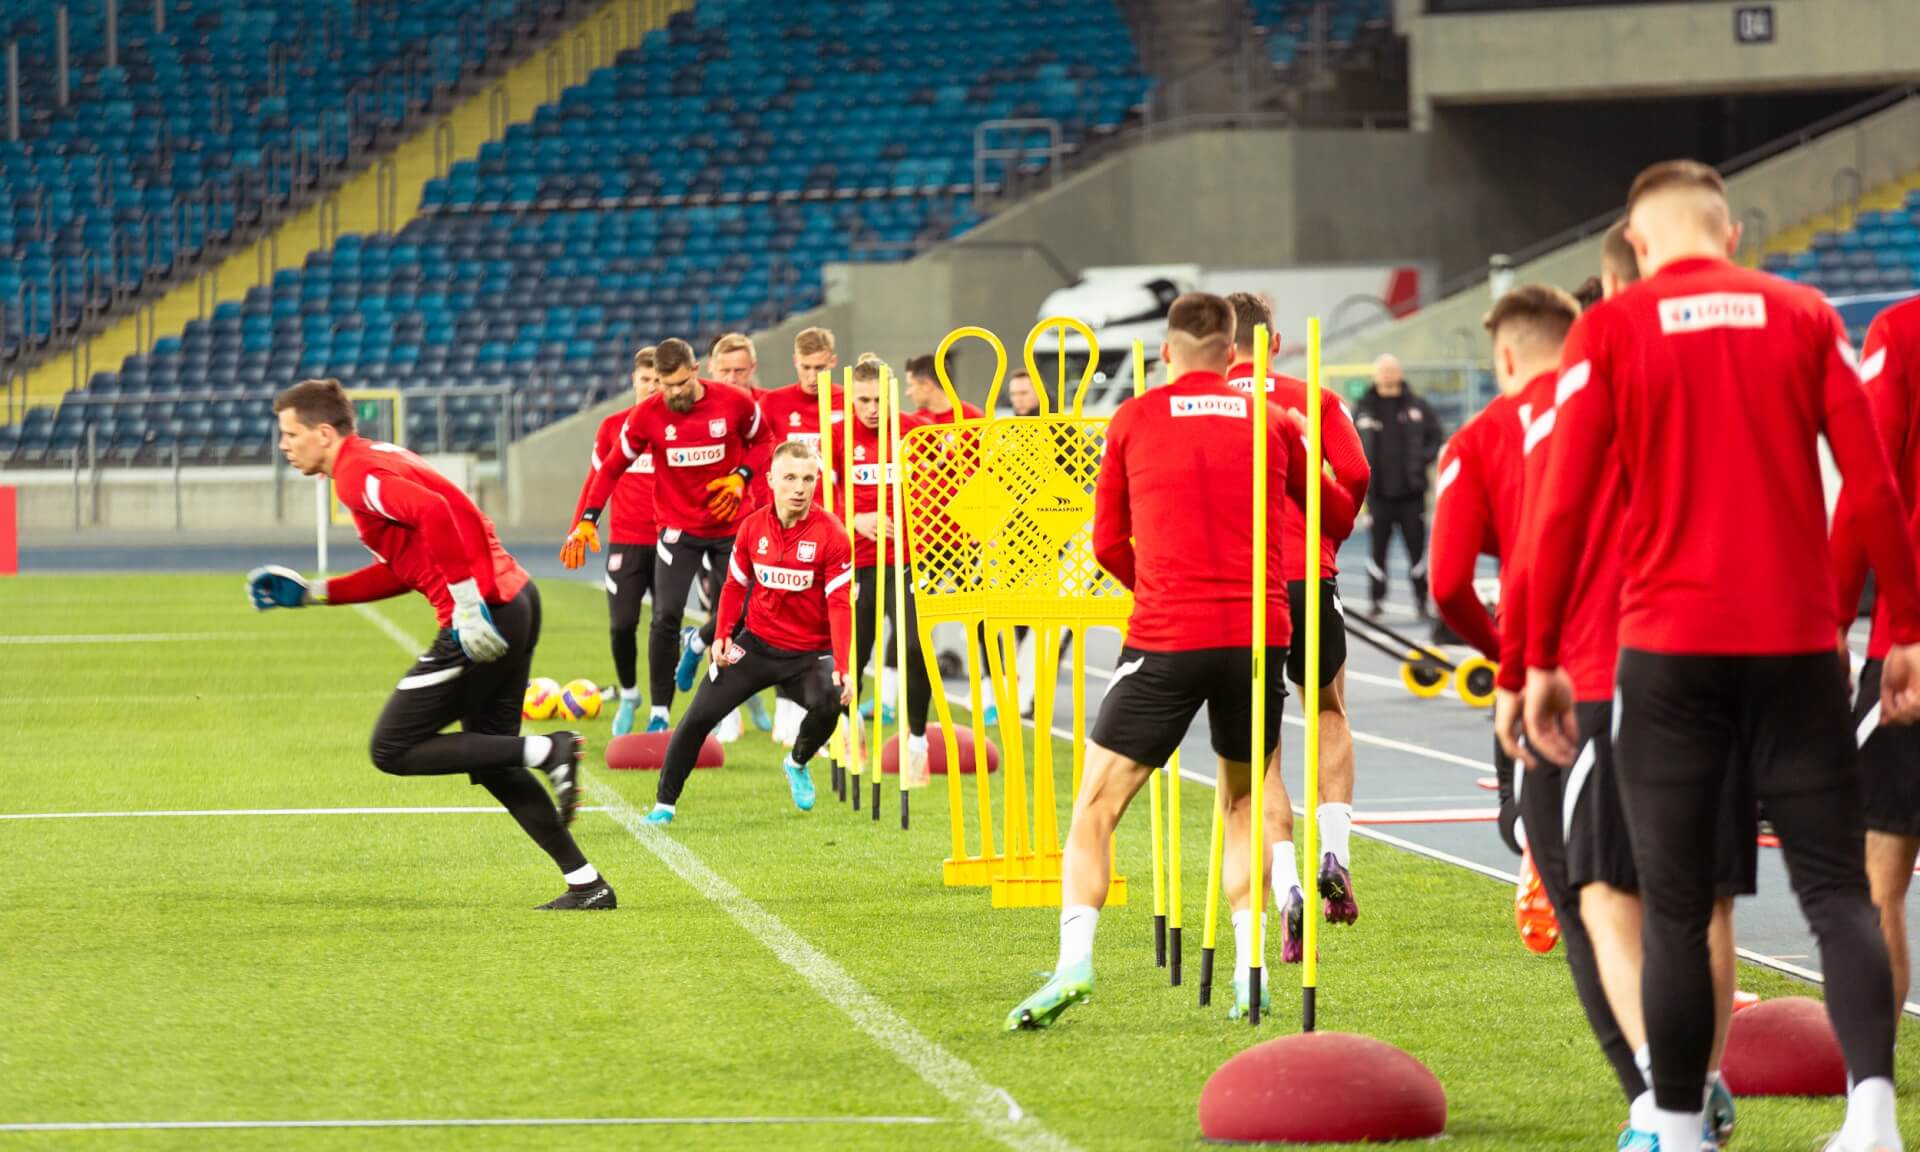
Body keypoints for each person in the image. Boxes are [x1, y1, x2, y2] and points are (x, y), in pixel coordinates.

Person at [1525, 159, 1920, 1152]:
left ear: (1638, 244)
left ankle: (1677, 1123)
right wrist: (1899, 630)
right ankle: (1871, 1114)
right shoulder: (1804, 313)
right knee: (1835, 890)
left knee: (1674, 902)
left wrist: (1533, 656)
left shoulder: (1609, 328)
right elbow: (1870, 488)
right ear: (1732, 234)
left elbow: (1563, 509)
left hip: (1668, 653)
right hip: (1795, 647)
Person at [1006, 292, 1356, 1030]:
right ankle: (1247, 971)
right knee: (1239, 802)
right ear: (1235, 357)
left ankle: (1074, 963)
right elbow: (1335, 515)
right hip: (1258, 638)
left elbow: (1105, 542)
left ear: (1166, 353)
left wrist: (1154, 591)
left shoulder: (1132, 418)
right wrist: (1296, 435)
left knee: (1097, 808)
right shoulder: (1269, 419)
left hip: (1167, 634)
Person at [248, 379, 611, 910]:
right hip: (511, 601)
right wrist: (313, 595)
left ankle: (549, 748)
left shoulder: (355, 476)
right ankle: (587, 884)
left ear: (324, 433)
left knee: (391, 748)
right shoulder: (371, 458)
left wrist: (465, 606)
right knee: (492, 761)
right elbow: (404, 569)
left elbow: (434, 514)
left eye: (290, 433)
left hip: (483, 614)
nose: (283, 445)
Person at [1223, 291, 1371, 934]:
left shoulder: (1197, 405)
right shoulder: (1309, 397)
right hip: (1309, 575)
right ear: (1274, 343)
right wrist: (1329, 535)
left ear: (1220, 348)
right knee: (1330, 710)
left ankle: (1285, 881)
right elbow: (1357, 471)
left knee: (1264, 751)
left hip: (1240, 585)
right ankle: (1333, 849)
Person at [561, 337, 771, 733]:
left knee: (744, 612)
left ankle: (699, 647)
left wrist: (741, 477)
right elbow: (609, 469)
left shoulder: (734, 403)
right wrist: (588, 519)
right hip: (678, 530)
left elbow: (763, 441)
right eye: (663, 383)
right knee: (663, 618)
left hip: (731, 527)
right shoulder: (646, 418)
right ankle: (660, 713)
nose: (671, 392)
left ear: (694, 371)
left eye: (678, 383)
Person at [642, 442, 855, 823]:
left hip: (809, 655)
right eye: (789, 478)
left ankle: (796, 762)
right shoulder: (751, 527)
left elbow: (840, 604)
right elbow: (735, 587)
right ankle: (664, 804)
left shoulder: (834, 535)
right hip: (755, 647)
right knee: (697, 718)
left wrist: (842, 664)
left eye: (808, 479)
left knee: (833, 700)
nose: (799, 488)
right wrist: (722, 635)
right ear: (771, 480)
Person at [1832, 291, 1920, 1023]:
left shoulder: (1902, 330)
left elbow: (1869, 483)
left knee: (1879, 879)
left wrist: (1832, 615)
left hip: (1907, 656)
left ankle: (1875, 1087)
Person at [837, 353, 936, 783]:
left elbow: (945, 486)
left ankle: (917, 742)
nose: (872, 409)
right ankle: (849, 729)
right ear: (851, 398)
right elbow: (820, 498)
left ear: (892, 395)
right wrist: (853, 519)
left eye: (879, 399)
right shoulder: (836, 434)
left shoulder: (916, 432)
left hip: (909, 561)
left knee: (916, 649)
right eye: (863, 400)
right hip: (858, 563)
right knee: (853, 655)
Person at [744, 327, 844, 745]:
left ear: (833, 362)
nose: (812, 375)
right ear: (794, 363)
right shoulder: (774, 404)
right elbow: (754, 457)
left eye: (820, 368)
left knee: (826, 623)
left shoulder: (847, 403)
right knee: (778, 619)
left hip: (831, 532)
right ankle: (784, 714)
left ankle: (825, 714)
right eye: (806, 367)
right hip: (779, 531)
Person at [571, 347, 661, 736]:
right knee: (622, 625)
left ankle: (661, 710)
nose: (653, 387)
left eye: (659, 380)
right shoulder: (612, 428)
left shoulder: (678, 429)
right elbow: (595, 481)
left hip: (672, 541)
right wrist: (579, 526)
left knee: (665, 627)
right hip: (626, 540)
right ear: (634, 381)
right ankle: (629, 694)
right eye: (646, 380)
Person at [1354, 352, 1443, 617]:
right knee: (1377, 551)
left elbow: (1435, 437)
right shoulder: (1364, 408)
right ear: (1375, 375)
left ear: (1400, 373)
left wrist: (1421, 462)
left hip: (1411, 495)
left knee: (1417, 550)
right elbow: (1350, 441)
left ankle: (1420, 599)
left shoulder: (1417, 406)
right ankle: (1376, 600)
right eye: (1383, 371)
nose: (1388, 375)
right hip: (1378, 495)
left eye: (1392, 370)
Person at [903, 353, 986, 422]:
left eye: (910, 385)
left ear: (927, 385)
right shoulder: (916, 422)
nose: (907, 393)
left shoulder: (974, 418)